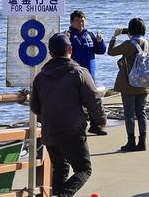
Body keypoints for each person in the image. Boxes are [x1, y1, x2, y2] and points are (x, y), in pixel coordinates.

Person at [31, 33, 106, 197]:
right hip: (72, 131)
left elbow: (35, 107)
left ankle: (58, 194)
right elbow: (93, 99)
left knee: (60, 168)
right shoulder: (79, 73)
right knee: (84, 169)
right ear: (70, 49)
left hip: (50, 133)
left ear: (50, 53)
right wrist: (101, 119)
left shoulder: (40, 78)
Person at [107, 17, 149, 151]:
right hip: (144, 82)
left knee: (129, 113)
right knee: (141, 112)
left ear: (130, 30)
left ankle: (131, 142)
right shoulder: (148, 43)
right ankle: (142, 142)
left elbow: (111, 52)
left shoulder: (129, 44)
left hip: (129, 83)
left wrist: (115, 37)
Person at [66, 10, 107, 135]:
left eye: (82, 21)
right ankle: (77, 127)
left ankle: (95, 126)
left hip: (89, 74)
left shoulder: (89, 34)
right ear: (72, 22)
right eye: (78, 21)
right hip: (73, 73)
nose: (81, 23)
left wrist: (100, 42)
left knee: (92, 100)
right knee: (75, 101)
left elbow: (100, 51)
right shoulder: (68, 36)